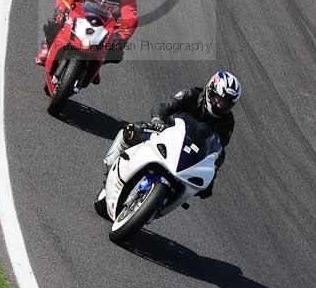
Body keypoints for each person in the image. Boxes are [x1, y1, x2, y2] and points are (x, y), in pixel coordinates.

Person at [103, 70, 242, 197]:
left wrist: (213, 171)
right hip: (166, 133)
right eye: (218, 98)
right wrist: (157, 120)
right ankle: (110, 168)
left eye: (226, 103)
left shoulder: (227, 121)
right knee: (132, 130)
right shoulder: (192, 94)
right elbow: (165, 105)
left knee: (206, 184)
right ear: (210, 90)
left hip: (192, 152)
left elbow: (219, 148)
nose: (219, 105)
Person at [36, 0, 138, 80]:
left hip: (106, 24)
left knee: (116, 52)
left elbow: (130, 14)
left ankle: (96, 65)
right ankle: (48, 45)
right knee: (53, 23)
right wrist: (60, 10)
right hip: (79, 12)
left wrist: (123, 35)